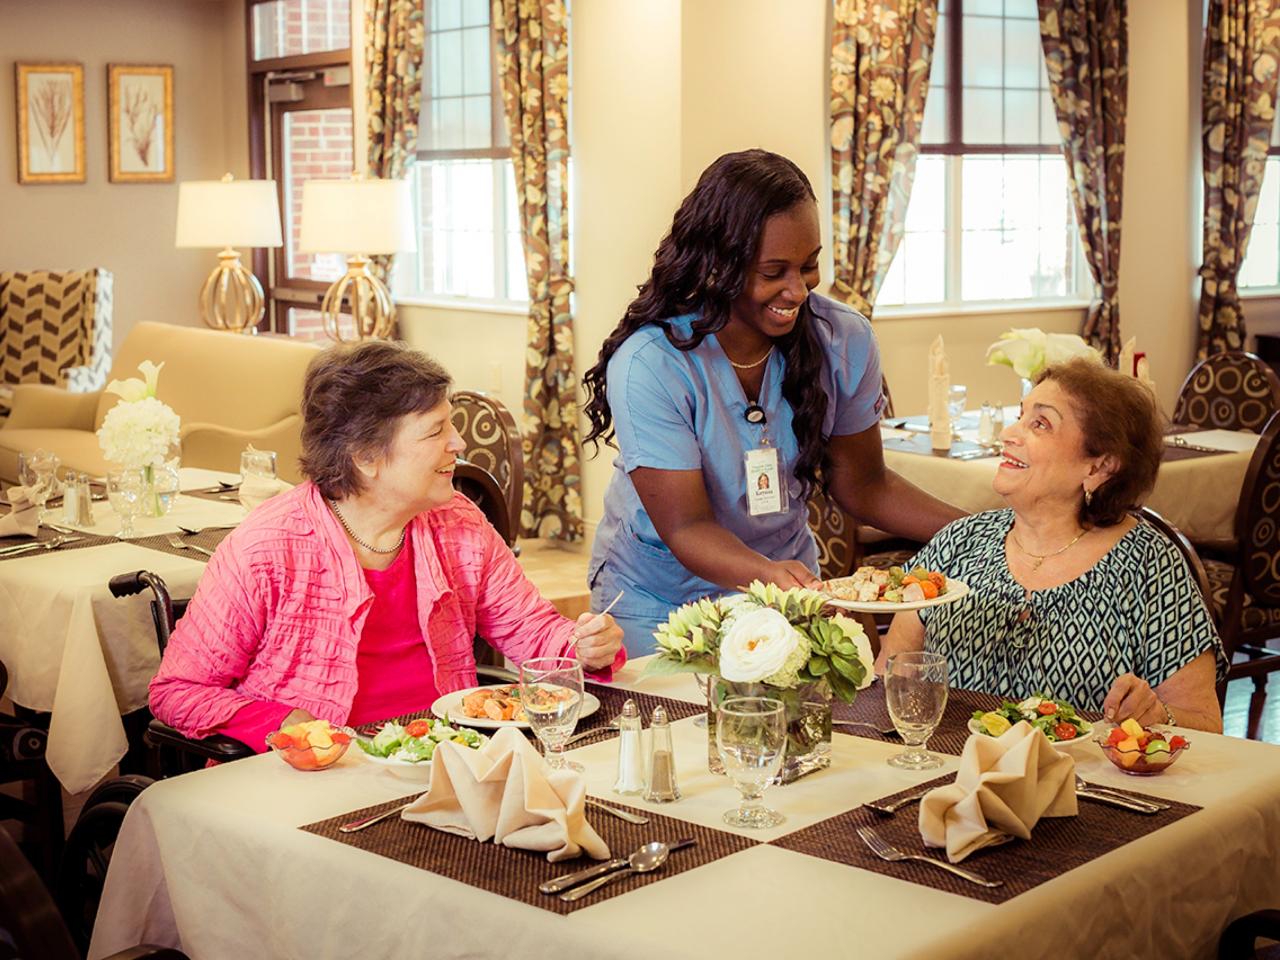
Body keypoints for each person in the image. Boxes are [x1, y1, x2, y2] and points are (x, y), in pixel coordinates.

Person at [150, 341, 624, 750]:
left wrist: (583, 646)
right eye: (436, 430)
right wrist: (280, 722)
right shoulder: (268, 545)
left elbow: (536, 634)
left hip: (445, 765)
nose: (458, 442)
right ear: (366, 458)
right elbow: (177, 690)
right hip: (312, 776)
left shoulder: (457, 522)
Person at [581, 149, 963, 654]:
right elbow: (687, 526)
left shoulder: (842, 339)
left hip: (786, 581)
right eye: (773, 271)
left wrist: (977, 530)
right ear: (718, 267)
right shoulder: (651, 362)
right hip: (660, 599)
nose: (797, 290)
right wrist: (774, 581)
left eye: (809, 266)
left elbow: (865, 487)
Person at [876, 358, 1226, 732]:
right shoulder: (958, 542)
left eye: (1039, 424)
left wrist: (1158, 715)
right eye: (1021, 415)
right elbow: (889, 680)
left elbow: (1205, 725)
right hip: (950, 778)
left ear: (1099, 467)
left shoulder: (1149, 564)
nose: (1010, 433)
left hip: (1082, 785)